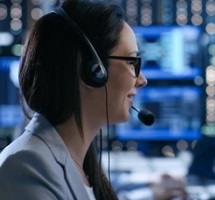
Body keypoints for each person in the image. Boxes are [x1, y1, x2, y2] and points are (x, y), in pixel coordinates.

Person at [0, 0, 188, 200]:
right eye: (133, 62)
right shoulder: (25, 169)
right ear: (94, 71)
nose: (142, 80)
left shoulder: (80, 161)